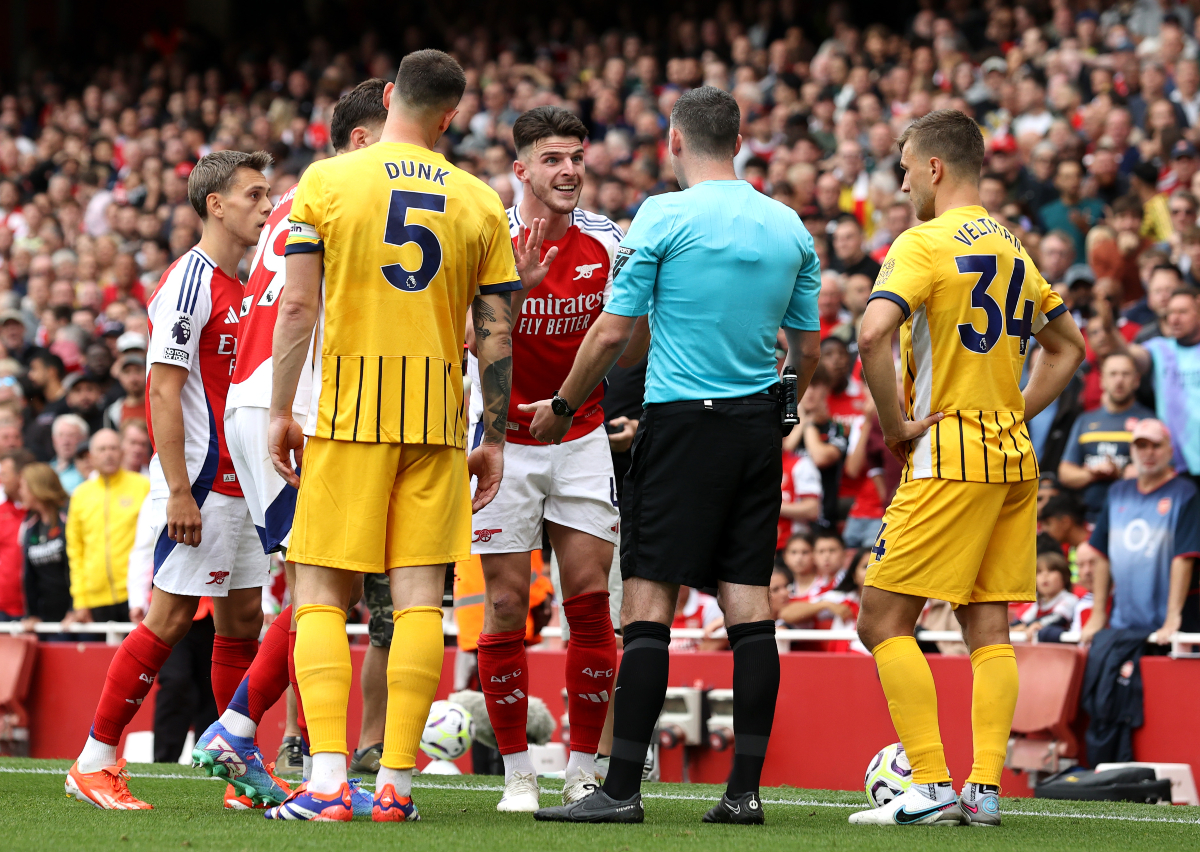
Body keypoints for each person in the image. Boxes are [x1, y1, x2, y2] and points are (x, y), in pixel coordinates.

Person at [527, 86, 822, 825]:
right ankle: (744, 794)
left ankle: (620, 790)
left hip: (683, 421)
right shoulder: (789, 226)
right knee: (748, 604)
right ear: (741, 138)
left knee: (650, 601)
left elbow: (609, 334)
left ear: (672, 141)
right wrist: (788, 399)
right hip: (756, 426)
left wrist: (562, 406)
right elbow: (808, 347)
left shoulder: (663, 215)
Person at [265, 50, 518, 823]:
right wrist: (495, 436)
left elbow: (299, 309)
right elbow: (498, 331)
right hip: (438, 424)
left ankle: (328, 782)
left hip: (350, 417)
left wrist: (281, 409)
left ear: (385, 98)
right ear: (451, 117)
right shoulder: (479, 202)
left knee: (318, 594)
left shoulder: (329, 181)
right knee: (416, 604)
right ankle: (397, 787)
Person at [850, 109, 1085, 827]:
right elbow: (1069, 347)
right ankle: (984, 789)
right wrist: (1014, 408)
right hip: (1013, 458)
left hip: (950, 453)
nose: (899, 186)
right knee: (988, 626)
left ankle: (927, 784)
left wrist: (894, 426)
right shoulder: (1014, 245)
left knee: (881, 617)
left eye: (902, 170)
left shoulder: (922, 242)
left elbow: (870, 332)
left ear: (933, 168)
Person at [191, 80, 391, 811]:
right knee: (321, 595)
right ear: (365, 139)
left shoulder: (298, 199)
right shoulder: (346, 191)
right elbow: (306, 304)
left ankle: (244, 733)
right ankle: (302, 765)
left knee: (320, 591)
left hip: (267, 398)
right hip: (289, 406)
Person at [64, 150, 276, 811]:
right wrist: (180, 488)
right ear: (216, 204)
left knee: (244, 619)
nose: (267, 208)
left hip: (244, 488)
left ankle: (240, 769)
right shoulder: (188, 282)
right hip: (200, 484)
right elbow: (161, 390)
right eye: (254, 196)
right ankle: (94, 760)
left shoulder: (245, 282)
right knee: (171, 617)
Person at [465, 105, 625, 811]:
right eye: (551, 159)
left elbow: (623, 336)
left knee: (589, 604)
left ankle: (583, 769)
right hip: (501, 443)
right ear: (521, 168)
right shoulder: (486, 238)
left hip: (579, 435)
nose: (568, 171)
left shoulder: (608, 242)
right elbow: (448, 332)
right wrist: (515, 292)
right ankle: (518, 772)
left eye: (576, 157)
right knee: (503, 604)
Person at [1080, 419, 1200, 645]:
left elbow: (1184, 557)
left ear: (1170, 450)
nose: (1149, 453)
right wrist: (1098, 614)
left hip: (1168, 629)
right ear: (1132, 450)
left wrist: (1173, 617)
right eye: (1141, 446)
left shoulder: (1185, 493)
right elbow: (1102, 554)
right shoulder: (1117, 492)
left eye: (1156, 445)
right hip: (1121, 624)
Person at [63, 428, 149, 626]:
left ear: (122, 452)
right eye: (102, 449)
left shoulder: (143, 486)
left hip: (135, 594)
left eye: (113, 448)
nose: (108, 454)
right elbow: (75, 551)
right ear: (91, 457)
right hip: (95, 599)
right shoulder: (80, 495)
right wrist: (80, 600)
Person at [1058, 352, 1153, 521]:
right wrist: (1094, 474)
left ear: (1137, 380)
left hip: (1136, 515)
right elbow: (1065, 472)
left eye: (1125, 374)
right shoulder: (1085, 420)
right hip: (1089, 517)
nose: (1119, 380)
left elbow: (1162, 472)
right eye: (1113, 374)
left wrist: (1119, 472)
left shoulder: (1148, 421)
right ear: (1102, 380)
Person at [1125, 288, 1200, 480]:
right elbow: (1130, 356)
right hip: (1176, 464)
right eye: (1170, 313)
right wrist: (1110, 328)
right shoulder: (1160, 348)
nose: (1174, 319)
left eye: (1182, 312)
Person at [18, 462, 71, 631]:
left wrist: (75, 609)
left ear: (37, 487)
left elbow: (77, 567)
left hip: (74, 618)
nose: (20, 492)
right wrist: (32, 614)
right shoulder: (29, 526)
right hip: (46, 619)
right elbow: (28, 576)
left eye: (23, 487)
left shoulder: (68, 517)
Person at [1011, 551, 1078, 640]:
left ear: (1064, 576)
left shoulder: (1070, 599)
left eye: (1051, 570)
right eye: (1039, 572)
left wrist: (1034, 625)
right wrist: (1012, 628)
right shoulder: (1037, 603)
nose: (1044, 575)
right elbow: (1022, 621)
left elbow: (1057, 618)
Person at [0, 449, 32, 620]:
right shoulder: (1, 512)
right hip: (4, 607)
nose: (1, 480)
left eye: (5, 474)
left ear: (20, 476)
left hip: (36, 607)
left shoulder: (39, 513)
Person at [102, 353, 146, 430]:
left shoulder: (160, 406)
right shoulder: (113, 412)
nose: (133, 378)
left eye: (138, 371)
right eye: (127, 372)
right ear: (120, 377)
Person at [49, 413, 89, 494]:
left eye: (71, 435)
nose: (65, 441)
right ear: (53, 440)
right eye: (61, 435)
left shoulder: (89, 469)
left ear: (84, 439)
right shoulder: (47, 469)